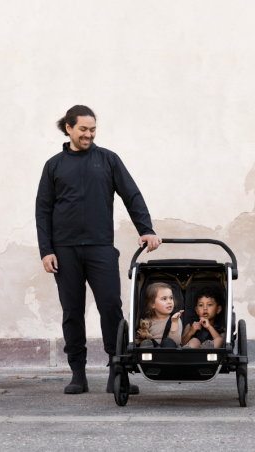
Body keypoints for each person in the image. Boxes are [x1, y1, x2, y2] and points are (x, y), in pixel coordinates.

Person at [36, 105, 162, 395]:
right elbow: (43, 210)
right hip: (64, 250)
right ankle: (78, 374)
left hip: (100, 248)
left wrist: (146, 228)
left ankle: (117, 372)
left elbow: (131, 194)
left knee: (110, 307)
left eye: (93, 129)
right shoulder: (54, 165)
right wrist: (46, 250)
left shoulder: (108, 160)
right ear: (68, 128)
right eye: (83, 129)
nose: (89, 134)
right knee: (72, 311)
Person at [136, 283, 183, 348]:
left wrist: (174, 322)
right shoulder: (147, 321)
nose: (169, 302)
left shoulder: (175, 319)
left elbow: (176, 342)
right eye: (164, 299)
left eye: (171, 298)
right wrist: (140, 335)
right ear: (152, 304)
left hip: (169, 350)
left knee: (168, 342)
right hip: (152, 351)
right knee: (146, 342)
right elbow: (143, 336)